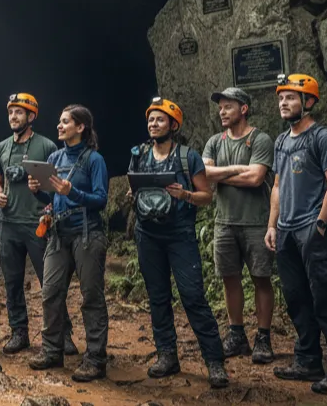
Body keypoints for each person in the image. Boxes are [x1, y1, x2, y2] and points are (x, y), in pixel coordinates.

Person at [128, 97, 229, 389]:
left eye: (159, 120)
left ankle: (214, 361)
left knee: (193, 296)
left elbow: (207, 196)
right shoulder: (138, 154)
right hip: (148, 234)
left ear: (173, 125)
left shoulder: (188, 157)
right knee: (158, 297)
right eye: (150, 120)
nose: (153, 124)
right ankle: (167, 355)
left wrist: (183, 195)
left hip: (179, 235)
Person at [266, 74, 327, 394]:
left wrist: (320, 226)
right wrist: (272, 225)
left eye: (290, 97)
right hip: (287, 232)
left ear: (309, 102)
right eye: (281, 98)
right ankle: (307, 361)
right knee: (297, 299)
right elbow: (276, 187)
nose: (283, 103)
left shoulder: (323, 137)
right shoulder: (281, 141)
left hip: (314, 230)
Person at [27, 105, 109, 382]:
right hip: (59, 233)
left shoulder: (94, 160)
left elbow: (101, 200)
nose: (59, 126)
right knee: (50, 292)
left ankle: (96, 359)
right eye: (59, 122)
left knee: (91, 297)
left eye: (65, 122)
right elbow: (52, 200)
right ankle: (52, 350)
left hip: (88, 234)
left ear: (81, 127)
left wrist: (71, 191)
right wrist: (39, 192)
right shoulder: (55, 157)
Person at [202, 86, 275, 363]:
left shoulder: (260, 139)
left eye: (227, 106)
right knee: (229, 279)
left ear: (243, 109)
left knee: (261, 280)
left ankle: (264, 339)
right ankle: (237, 335)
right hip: (224, 222)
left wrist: (221, 175)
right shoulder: (214, 142)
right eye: (220, 107)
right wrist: (236, 170)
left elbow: (256, 178)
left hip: (256, 223)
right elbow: (204, 174)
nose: (222, 111)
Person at [0, 93, 63, 355]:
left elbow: (58, 184)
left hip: (36, 223)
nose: (13, 117)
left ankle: (61, 333)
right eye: (11, 112)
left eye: (19, 113)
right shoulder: (1, 148)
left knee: (50, 282)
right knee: (12, 281)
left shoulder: (47, 147)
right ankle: (19, 332)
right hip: (8, 223)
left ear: (31, 117)